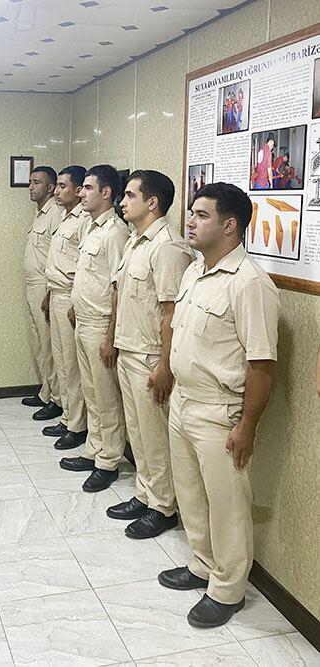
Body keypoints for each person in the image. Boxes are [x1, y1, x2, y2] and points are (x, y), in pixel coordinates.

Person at [158, 182, 280, 629]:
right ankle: (202, 565)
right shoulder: (195, 271)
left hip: (219, 410)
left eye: (201, 215)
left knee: (227, 505)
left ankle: (228, 590)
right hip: (184, 402)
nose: (190, 221)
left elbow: (262, 365)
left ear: (230, 225)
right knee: (191, 494)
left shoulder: (250, 283)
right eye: (191, 213)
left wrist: (247, 426)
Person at [107, 170, 194, 539]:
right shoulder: (135, 241)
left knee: (155, 436)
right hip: (129, 349)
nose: (122, 202)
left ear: (152, 202)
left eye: (130, 195)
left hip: (149, 356)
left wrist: (164, 365)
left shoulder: (168, 247)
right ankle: (145, 494)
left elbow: (172, 312)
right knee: (139, 432)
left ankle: (163, 507)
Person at [59, 165, 130, 492]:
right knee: (91, 392)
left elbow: (117, 288)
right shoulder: (91, 226)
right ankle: (93, 448)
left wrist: (111, 336)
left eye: (88, 188)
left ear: (106, 193)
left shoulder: (116, 233)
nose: (81, 193)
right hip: (83, 321)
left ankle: (109, 460)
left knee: (106, 398)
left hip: (101, 325)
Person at [41, 165, 89, 449]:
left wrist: (73, 301)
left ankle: (77, 425)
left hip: (70, 296)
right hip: (56, 293)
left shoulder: (84, 221)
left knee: (72, 366)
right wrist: (49, 294)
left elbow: (82, 267)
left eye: (62, 186)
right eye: (56, 186)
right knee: (61, 360)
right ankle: (68, 416)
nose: (57, 192)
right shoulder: (65, 217)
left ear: (79, 189)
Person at [21, 166, 63, 421]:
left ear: (50, 187)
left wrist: (49, 292)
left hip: (44, 287)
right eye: (30, 182)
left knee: (49, 346)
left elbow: (57, 257)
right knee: (39, 343)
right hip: (32, 286)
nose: (31, 187)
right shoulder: (40, 214)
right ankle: (46, 392)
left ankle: (56, 399)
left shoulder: (55, 214)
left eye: (37, 182)